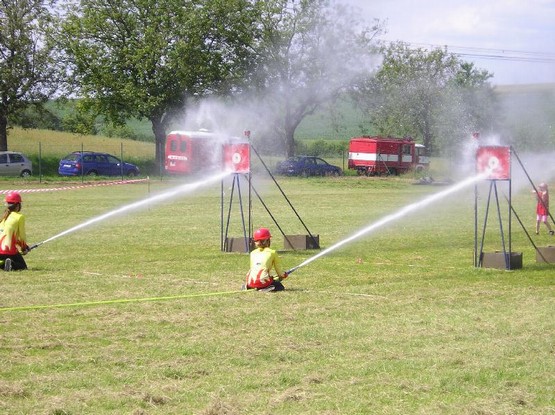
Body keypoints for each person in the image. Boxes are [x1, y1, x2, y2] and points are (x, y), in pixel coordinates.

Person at [244, 227, 288, 292]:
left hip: (250, 282)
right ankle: (265, 288)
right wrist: (283, 275)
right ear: (267, 240)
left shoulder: (252, 253)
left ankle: (250, 287)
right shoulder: (272, 252)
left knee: (270, 279)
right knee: (280, 286)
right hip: (263, 282)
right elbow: (279, 272)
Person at [0, 192, 30, 271]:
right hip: (8, 251)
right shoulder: (19, 217)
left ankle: (2, 263)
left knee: (4, 259)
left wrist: (23, 247)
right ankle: (10, 265)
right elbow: (22, 236)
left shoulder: (3, 218)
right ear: (17, 205)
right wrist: (24, 248)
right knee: (22, 266)